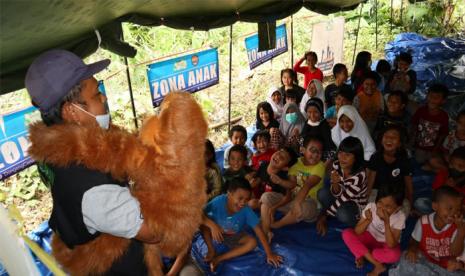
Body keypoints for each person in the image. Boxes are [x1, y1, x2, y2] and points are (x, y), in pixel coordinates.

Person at [25, 49, 159, 274]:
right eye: (97, 95)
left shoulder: (52, 151)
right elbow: (155, 232)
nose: (104, 98)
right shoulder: (91, 186)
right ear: (72, 112)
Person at [201, 177, 283, 272]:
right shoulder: (218, 201)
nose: (243, 202)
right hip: (216, 231)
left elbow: (259, 231)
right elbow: (200, 213)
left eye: (246, 199)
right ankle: (211, 250)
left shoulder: (246, 210)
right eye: (240, 198)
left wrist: (269, 254)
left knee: (252, 242)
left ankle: (219, 259)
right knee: (203, 224)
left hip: (232, 235)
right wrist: (212, 225)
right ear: (229, 194)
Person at [390, 186, 465, 275]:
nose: (453, 213)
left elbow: (455, 253)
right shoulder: (423, 222)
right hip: (426, 262)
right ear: (435, 206)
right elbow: (414, 241)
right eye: (449, 209)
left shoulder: (458, 226)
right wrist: (413, 249)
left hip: (447, 268)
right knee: (406, 258)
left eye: (457, 210)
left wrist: (461, 231)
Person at [342, 185, 406, 276]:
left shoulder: (400, 217)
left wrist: (386, 222)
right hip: (369, 238)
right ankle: (378, 265)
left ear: (398, 208)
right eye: (380, 202)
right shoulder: (371, 207)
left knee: (395, 255)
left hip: (384, 245)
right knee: (347, 233)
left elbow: (391, 244)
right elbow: (357, 231)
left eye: (388, 206)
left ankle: (363, 253)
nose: (382, 208)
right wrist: (368, 220)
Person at [269, 136, 325, 231]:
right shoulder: (295, 163)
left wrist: (297, 202)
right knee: (267, 197)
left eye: (319, 152)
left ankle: (277, 224)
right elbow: (291, 184)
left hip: (310, 203)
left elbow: (307, 185)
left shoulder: (320, 166)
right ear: (303, 150)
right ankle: (267, 226)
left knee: (303, 207)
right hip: (293, 201)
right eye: (312, 150)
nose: (316, 154)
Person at [316, 137, 368, 236]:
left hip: (354, 204)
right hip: (341, 198)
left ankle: (334, 213)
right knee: (322, 193)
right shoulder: (337, 164)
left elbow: (343, 199)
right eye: (340, 153)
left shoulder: (359, 176)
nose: (342, 158)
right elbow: (337, 193)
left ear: (356, 157)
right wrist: (335, 183)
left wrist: (324, 216)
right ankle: (331, 211)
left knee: (343, 214)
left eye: (347, 155)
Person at [367, 125, 413, 215]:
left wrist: (410, 203)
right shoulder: (376, 157)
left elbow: (408, 186)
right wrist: (365, 201)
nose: (389, 139)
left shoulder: (404, 160)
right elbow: (370, 182)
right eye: (386, 136)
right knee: (370, 212)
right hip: (378, 193)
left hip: (396, 195)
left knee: (403, 212)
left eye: (394, 137)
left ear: (399, 143)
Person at [258, 147, 299, 240]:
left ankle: (265, 232)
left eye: (283, 158)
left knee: (265, 199)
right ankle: (266, 229)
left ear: (285, 167)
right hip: (264, 200)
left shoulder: (282, 178)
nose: (278, 156)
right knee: (255, 203)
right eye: (279, 152)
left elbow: (288, 197)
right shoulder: (263, 165)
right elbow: (258, 180)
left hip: (280, 202)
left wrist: (274, 208)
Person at [414, 147, 465, 215]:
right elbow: (434, 192)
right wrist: (445, 186)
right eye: (452, 164)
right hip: (440, 204)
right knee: (420, 203)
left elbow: (461, 207)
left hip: (454, 211)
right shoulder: (444, 173)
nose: (454, 169)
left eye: (460, 166)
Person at [411, 83, 449, 165]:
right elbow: (414, 126)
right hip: (419, 146)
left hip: (433, 148)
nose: (433, 99)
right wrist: (412, 141)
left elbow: (443, 134)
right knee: (419, 160)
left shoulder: (444, 116)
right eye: (431, 96)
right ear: (427, 96)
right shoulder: (421, 111)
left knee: (434, 160)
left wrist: (436, 149)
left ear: (443, 101)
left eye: (437, 97)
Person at [301, 98, 336, 163]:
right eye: (309, 112)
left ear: (321, 112)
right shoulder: (307, 122)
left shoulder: (324, 125)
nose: (312, 115)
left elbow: (328, 144)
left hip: (320, 155)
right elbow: (303, 137)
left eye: (316, 112)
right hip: (308, 152)